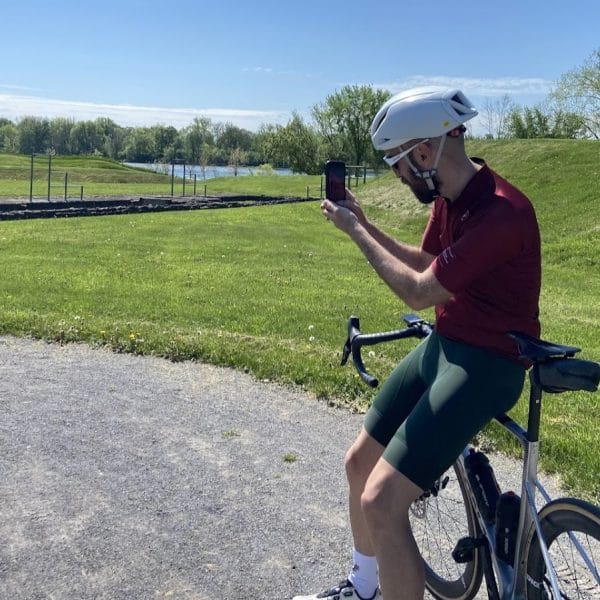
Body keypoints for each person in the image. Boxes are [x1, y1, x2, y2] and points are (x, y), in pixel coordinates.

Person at [292, 88, 541, 600]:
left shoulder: (502, 214)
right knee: (358, 465)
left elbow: (418, 290)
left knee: (381, 500)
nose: (400, 178)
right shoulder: (452, 200)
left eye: (398, 167)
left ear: (423, 154)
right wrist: (361, 222)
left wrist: (354, 235)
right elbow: (425, 261)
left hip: (489, 364)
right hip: (448, 346)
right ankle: (363, 587)